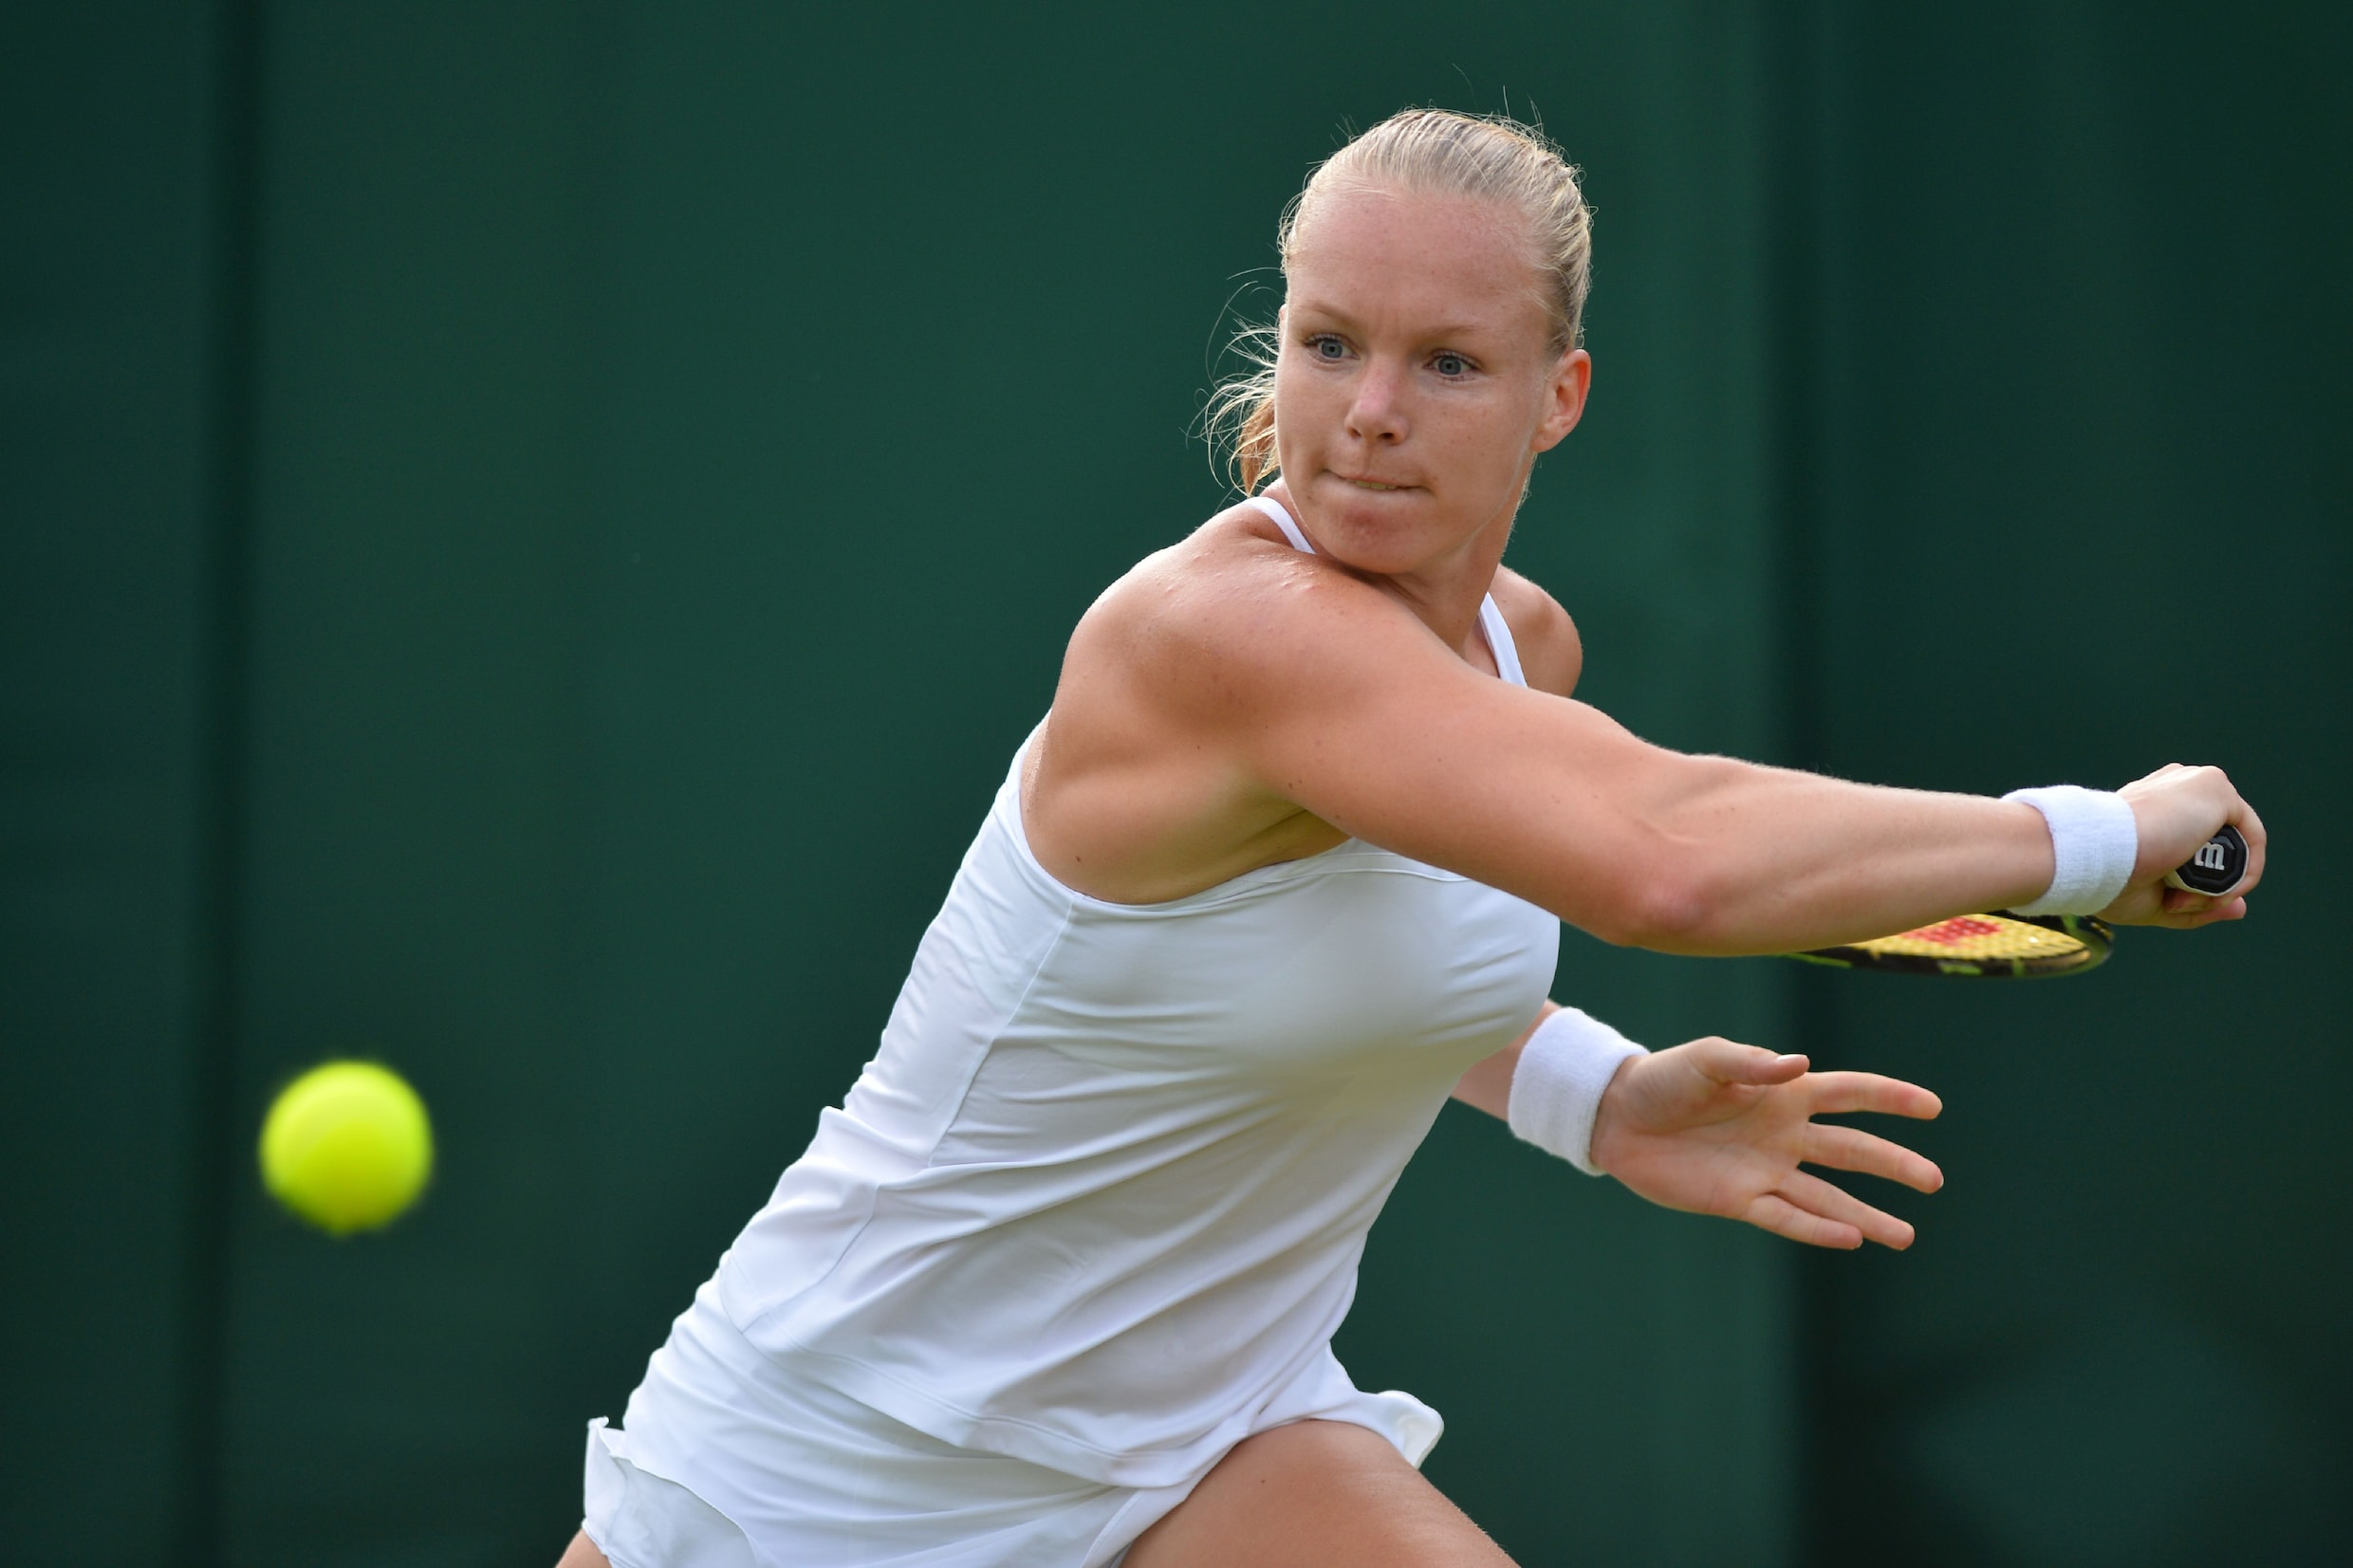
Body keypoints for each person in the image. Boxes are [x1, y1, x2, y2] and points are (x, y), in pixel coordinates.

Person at [556, 108, 2262, 1568]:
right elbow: (1668, 857)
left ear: (1558, 396)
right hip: (834, 1464)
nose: (1372, 408)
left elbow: (1335, 958)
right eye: (1329, 342)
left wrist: (1590, 1092)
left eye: (1448, 363)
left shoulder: (1525, 644)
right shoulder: (1222, 637)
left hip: (1208, 1433)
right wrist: (2113, 833)